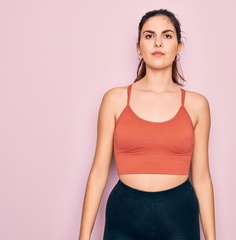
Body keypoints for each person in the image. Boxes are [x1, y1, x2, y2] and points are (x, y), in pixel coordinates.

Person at [78, 9, 216, 240]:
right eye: (149, 36)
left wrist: (212, 238)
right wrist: (83, 237)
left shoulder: (197, 104)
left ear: (179, 47)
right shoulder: (115, 99)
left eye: (167, 36)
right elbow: (99, 172)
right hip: (124, 214)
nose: (158, 42)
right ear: (138, 46)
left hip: (179, 214)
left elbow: (202, 177)